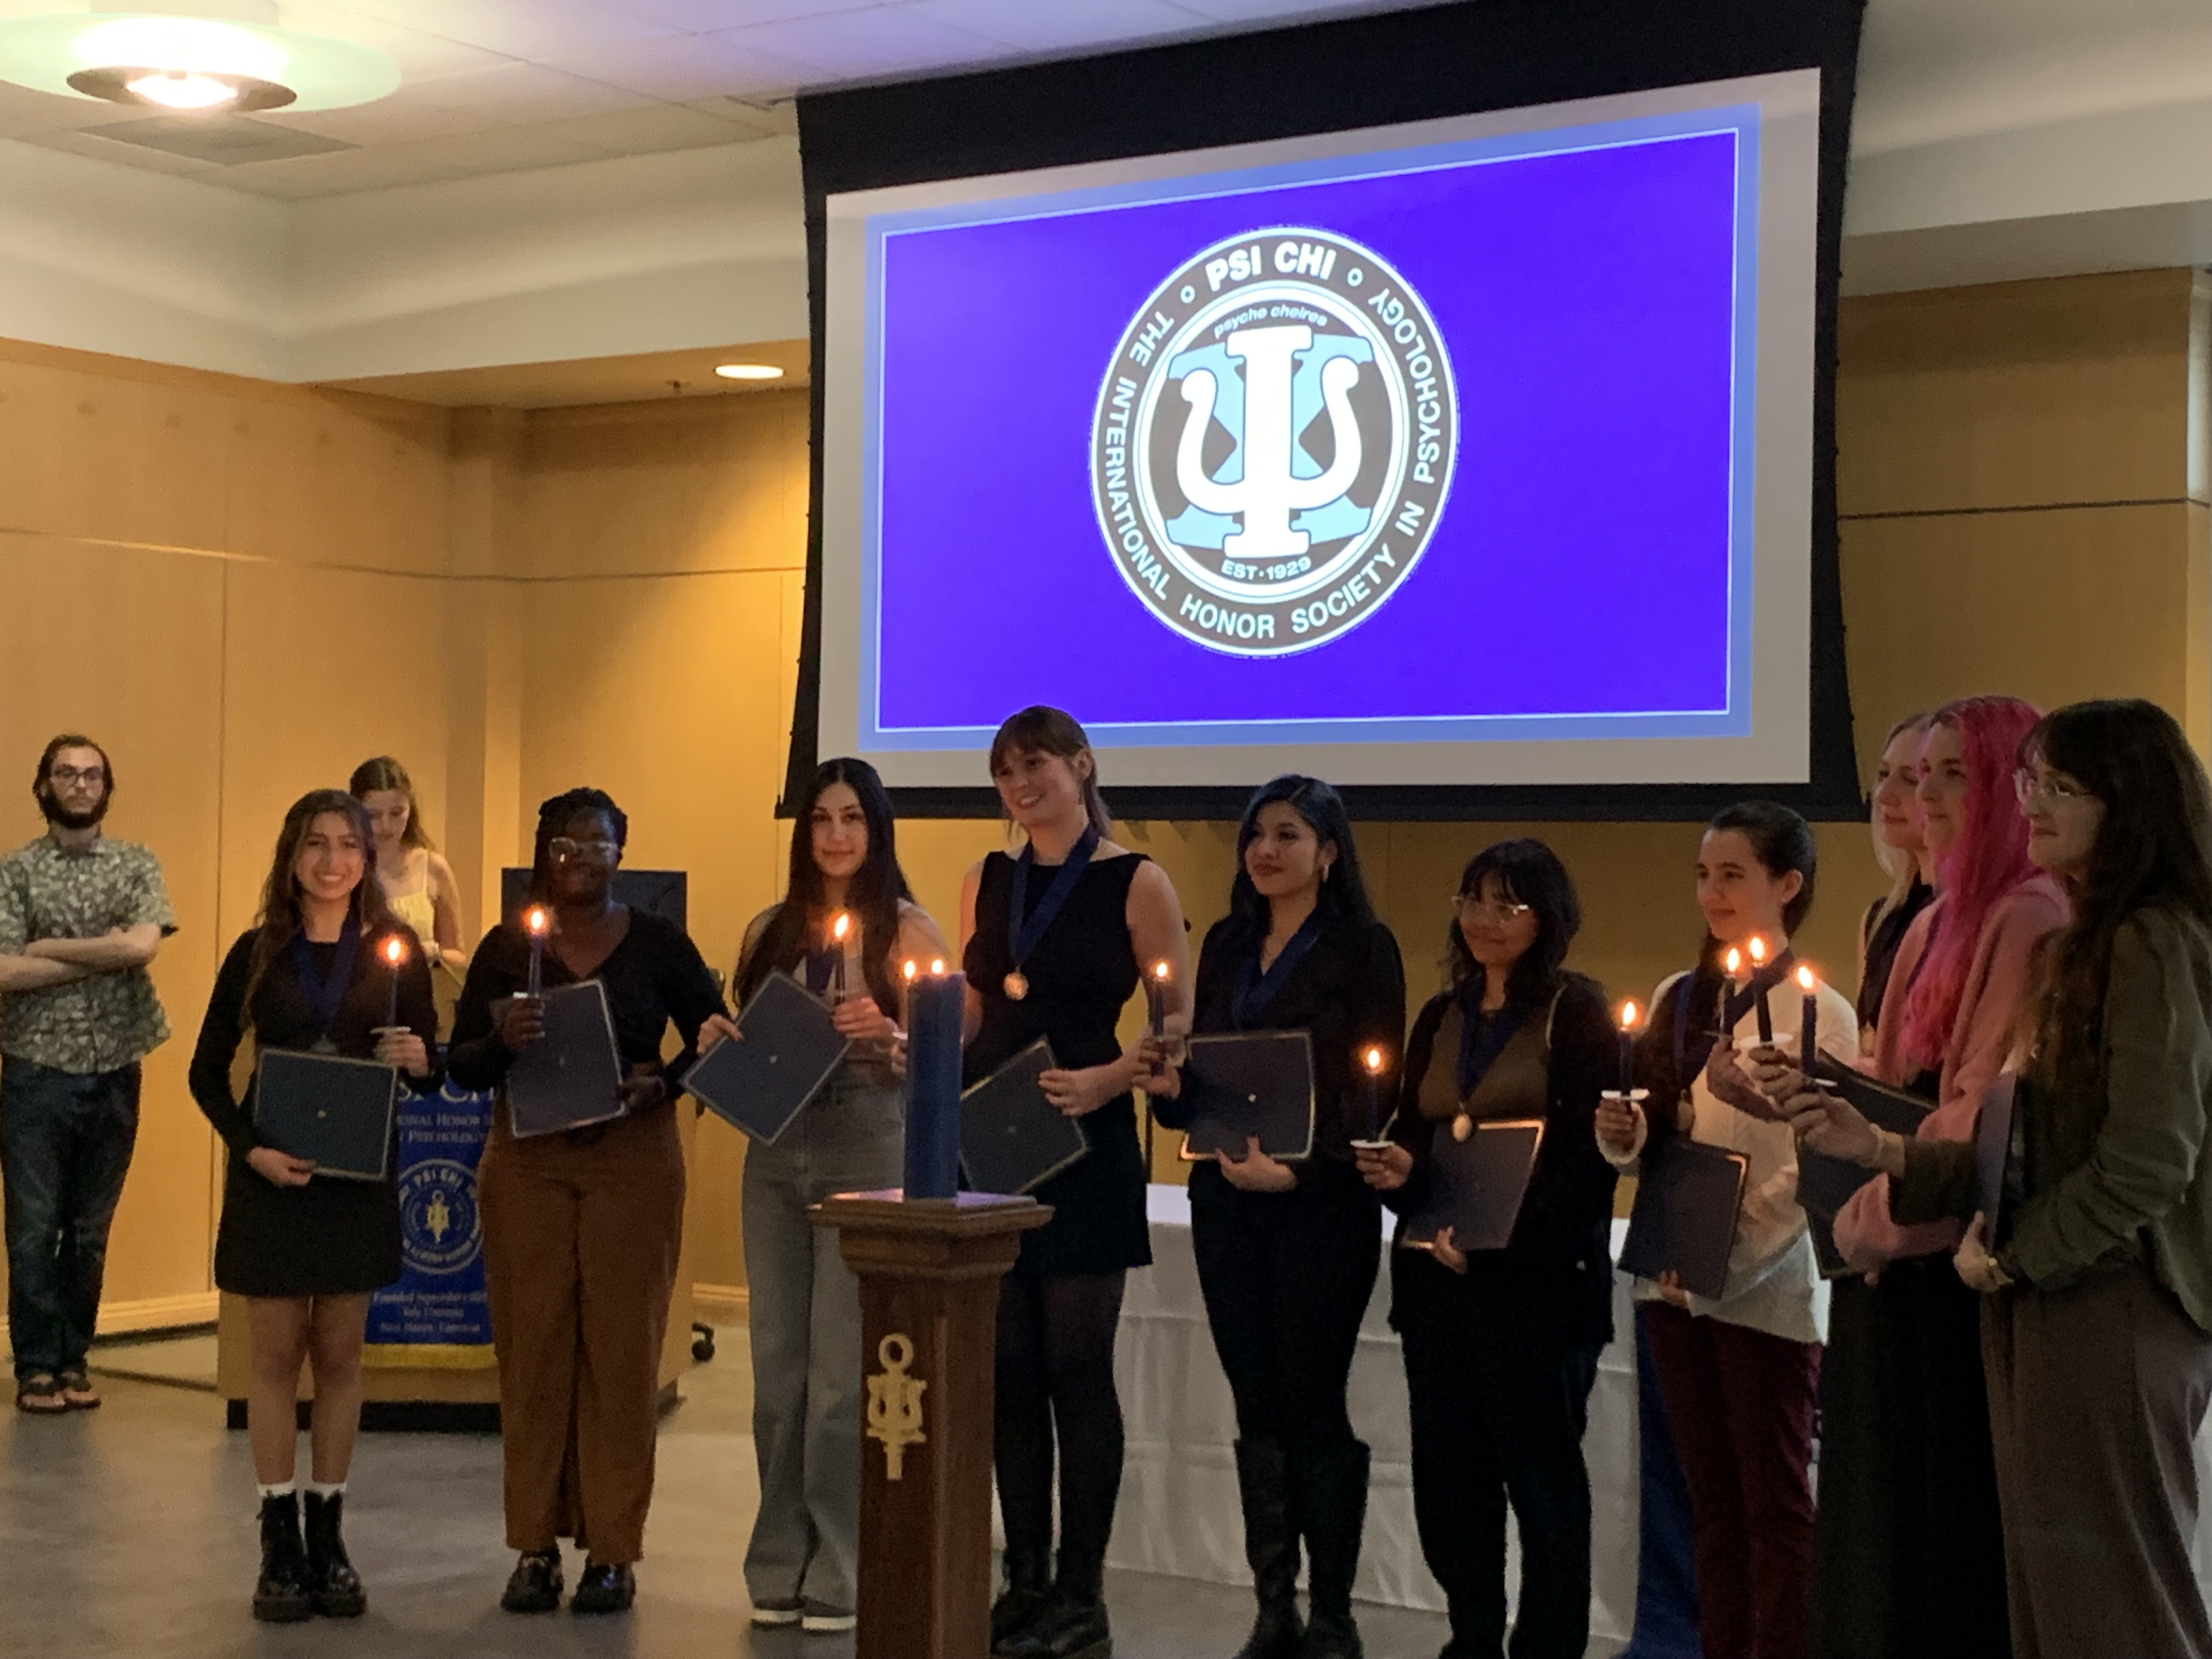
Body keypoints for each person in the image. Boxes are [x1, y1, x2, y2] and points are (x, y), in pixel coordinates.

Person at [1787, 698, 2212, 1659]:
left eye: (2060, 786)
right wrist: (1883, 1148)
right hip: (2054, 1294)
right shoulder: (2082, 939)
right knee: (2051, 1604)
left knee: (2114, 1605)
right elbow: (2024, 1143)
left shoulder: (2150, 938)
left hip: (2113, 1297)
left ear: (2129, 801)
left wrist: (2018, 1255)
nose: (2031, 805)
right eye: (2029, 782)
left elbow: (2147, 1160)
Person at [1808, 696, 2061, 1659]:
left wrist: (1865, 1216)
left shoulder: (2028, 914)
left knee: (1942, 1532)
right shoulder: (1931, 922)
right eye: (1920, 776)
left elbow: (1981, 1110)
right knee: (1878, 1527)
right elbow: (1884, 1084)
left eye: (1957, 774)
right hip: (1889, 1245)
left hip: (1945, 1257)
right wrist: (1808, 1090)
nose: (1927, 797)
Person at [1144, 776, 1404, 1659]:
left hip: (1321, 1207)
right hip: (1226, 1204)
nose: (1265, 850)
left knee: (1314, 1402)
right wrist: (1171, 1089)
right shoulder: (1225, 943)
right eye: (1256, 834)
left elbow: (1378, 1086)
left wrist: (1299, 1168)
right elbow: (1202, 1085)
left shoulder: (1365, 948)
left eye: (1288, 835)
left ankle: (1332, 1614)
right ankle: (1273, 1608)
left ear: (1329, 852)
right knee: (1256, 1403)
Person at [449, 787, 725, 1617]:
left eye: (598, 846)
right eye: (566, 846)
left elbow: (717, 1034)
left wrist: (665, 1084)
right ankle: (533, 1548)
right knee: (533, 1352)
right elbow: (460, 1065)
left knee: (622, 1357)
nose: (581, 859)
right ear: (545, 853)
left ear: (621, 854)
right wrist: (502, 1040)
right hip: (527, 1161)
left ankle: (612, 1552)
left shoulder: (658, 942)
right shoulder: (507, 947)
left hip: (631, 1159)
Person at [1595, 801, 1858, 1659]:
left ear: (1788, 885)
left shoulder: (1821, 1011)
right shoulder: (1681, 997)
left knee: (1773, 1504)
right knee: (1707, 1501)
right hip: (1674, 1276)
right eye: (1704, 876)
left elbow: (1811, 1163)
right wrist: (1624, 1134)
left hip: (1764, 1286)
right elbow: (1662, 1129)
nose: (1712, 893)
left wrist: (1726, 1259)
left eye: (1733, 875)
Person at [961, 707, 1190, 1659]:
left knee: (1077, 1369)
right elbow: (973, 1009)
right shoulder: (988, 876)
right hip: (995, 1140)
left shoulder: (1137, 880)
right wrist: (914, 1044)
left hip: (1088, 1141)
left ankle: (1081, 1593)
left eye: (1037, 765)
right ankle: (1023, 1579)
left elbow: (1175, 1028)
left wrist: (1111, 1078)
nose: (1021, 785)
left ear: (1081, 766)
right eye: (1006, 772)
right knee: (1008, 1371)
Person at [1355, 839, 1617, 1659]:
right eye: (1473, 901)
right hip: (1438, 1288)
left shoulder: (1577, 1014)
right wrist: (1400, 1172)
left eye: (1509, 906)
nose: (1485, 920)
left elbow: (1588, 1166)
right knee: (1450, 1481)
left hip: (1536, 1289)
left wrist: (1499, 1249)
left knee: (1541, 1484)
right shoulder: (1442, 1015)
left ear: (1549, 919)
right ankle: (1470, 1635)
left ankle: (1546, 1646)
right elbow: (1416, 1133)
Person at [186, 790, 439, 1622]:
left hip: (355, 1183)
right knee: (273, 1359)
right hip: (273, 1181)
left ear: (369, 858)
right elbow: (204, 1071)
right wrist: (250, 1148)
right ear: (291, 856)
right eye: (315, 845)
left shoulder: (396, 951)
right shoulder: (258, 952)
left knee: (339, 1357)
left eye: (348, 846)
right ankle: (278, 1537)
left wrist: (419, 1058)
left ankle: (329, 1534)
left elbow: (430, 1069)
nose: (333, 862)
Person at [715, 758, 948, 1637]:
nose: (838, 835)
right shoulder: (769, 930)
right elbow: (749, 1038)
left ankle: (840, 1568)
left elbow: (936, 1063)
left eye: (853, 819)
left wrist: (891, 1036)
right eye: (822, 819)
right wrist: (721, 1041)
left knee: (841, 1381)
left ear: (877, 831)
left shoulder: (909, 930)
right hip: (778, 1147)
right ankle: (778, 1559)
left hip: (864, 1133)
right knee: (777, 1371)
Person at [0, 735, 175, 1415]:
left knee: (90, 1232)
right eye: (66, 774)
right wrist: (107, 952)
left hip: (116, 1066)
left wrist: (48, 946)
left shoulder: (136, 863)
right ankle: (36, 1367)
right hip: (35, 1071)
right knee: (33, 1229)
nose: (80, 784)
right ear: (44, 786)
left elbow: (144, 945)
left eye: (92, 775)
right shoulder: (16, 871)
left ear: (107, 787)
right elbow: (4, 971)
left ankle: (75, 1360)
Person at [1857, 712, 1938, 1049]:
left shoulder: (1983, 917)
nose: (1883, 795)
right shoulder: (1881, 919)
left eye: (1910, 779)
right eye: (1883, 775)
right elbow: (1870, 1047)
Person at [349, 756, 467, 970]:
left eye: (396, 813)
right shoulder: (345, 869)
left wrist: (431, 952)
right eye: (373, 816)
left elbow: (458, 956)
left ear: (410, 809)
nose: (386, 826)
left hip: (422, 984)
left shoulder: (433, 867)